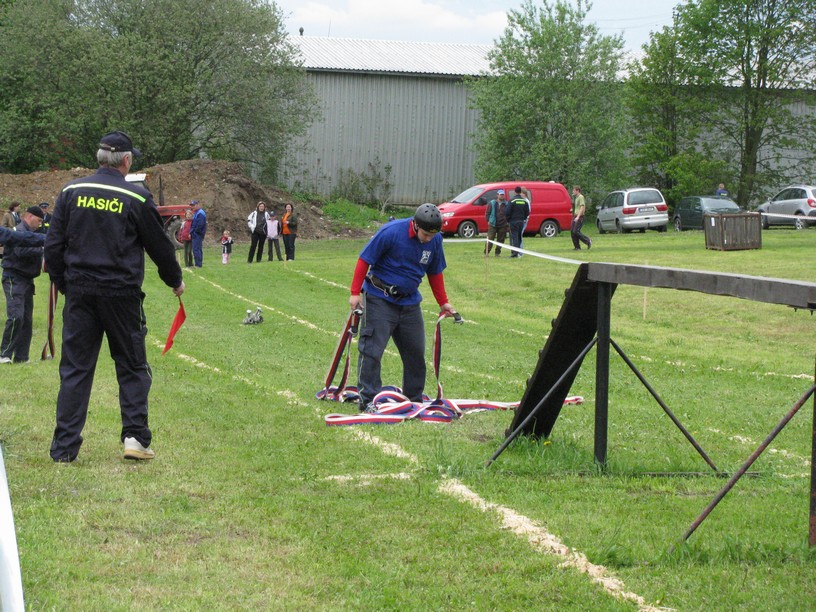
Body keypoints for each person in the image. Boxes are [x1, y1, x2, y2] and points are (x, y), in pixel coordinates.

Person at [44, 130, 184, 463]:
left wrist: (65, 284)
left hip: (80, 291)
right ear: (126, 160)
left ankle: (64, 448)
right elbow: (159, 245)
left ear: (100, 158)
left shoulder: (71, 191)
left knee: (75, 369)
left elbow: (53, 246)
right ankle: (135, 438)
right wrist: (174, 280)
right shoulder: (136, 196)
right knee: (132, 365)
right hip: (121, 294)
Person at [349, 203, 456, 413]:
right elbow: (364, 260)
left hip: (410, 302)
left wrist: (443, 302)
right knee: (372, 351)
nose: (428, 239)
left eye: (433, 235)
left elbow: (435, 272)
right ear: (415, 225)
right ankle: (368, 399)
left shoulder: (435, 241)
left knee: (415, 352)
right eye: (426, 234)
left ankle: (413, 399)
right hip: (380, 298)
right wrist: (355, 292)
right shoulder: (391, 232)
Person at [0, 206, 45, 364]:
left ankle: (21, 357)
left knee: (26, 320)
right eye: (38, 220)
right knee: (16, 316)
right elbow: (21, 252)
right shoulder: (19, 231)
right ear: (30, 216)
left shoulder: (30, 233)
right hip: (14, 278)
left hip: (27, 279)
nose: (40, 224)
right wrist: (42, 249)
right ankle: (4, 354)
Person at [506, 186, 530, 257]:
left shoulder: (512, 201)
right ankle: (518, 251)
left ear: (515, 192)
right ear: (520, 192)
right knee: (519, 237)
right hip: (521, 221)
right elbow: (527, 212)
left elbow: (507, 211)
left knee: (514, 237)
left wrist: (508, 220)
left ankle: (515, 253)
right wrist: (523, 218)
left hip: (513, 221)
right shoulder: (524, 201)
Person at [484, 190, 509, 256]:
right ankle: (486, 252)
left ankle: (497, 253)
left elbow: (508, 213)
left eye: (503, 195)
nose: (502, 196)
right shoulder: (492, 203)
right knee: (490, 239)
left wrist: (507, 222)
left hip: (503, 224)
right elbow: (487, 213)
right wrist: (488, 220)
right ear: (497, 195)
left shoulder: (506, 204)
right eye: (500, 195)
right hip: (493, 224)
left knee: (501, 240)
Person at [570, 185, 592, 250]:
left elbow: (582, 207)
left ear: (577, 191)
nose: (573, 191)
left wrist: (578, 217)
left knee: (576, 231)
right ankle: (577, 247)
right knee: (572, 232)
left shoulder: (581, 197)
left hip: (579, 217)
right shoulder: (576, 198)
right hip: (575, 216)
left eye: (574, 190)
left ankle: (588, 241)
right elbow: (577, 207)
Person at [190, 199, 206, 267]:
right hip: (196, 234)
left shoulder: (200, 213)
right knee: (197, 249)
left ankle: (198, 264)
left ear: (197, 205)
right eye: (191, 205)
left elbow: (200, 225)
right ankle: (198, 264)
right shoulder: (196, 213)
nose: (192, 207)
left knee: (196, 249)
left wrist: (194, 232)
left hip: (197, 234)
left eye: (193, 205)